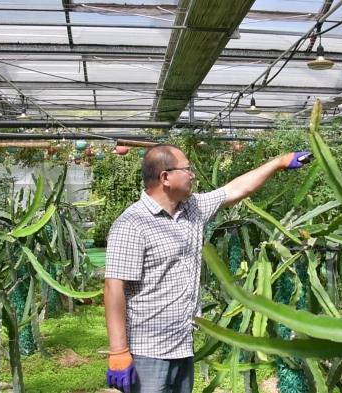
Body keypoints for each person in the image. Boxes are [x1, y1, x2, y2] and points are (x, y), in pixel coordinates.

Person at [104, 144, 311, 393]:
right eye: (187, 169)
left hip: (182, 345)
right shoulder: (132, 224)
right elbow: (114, 287)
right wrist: (119, 351)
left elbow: (236, 189)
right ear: (165, 177)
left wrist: (279, 162)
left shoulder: (192, 209)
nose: (193, 175)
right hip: (148, 352)